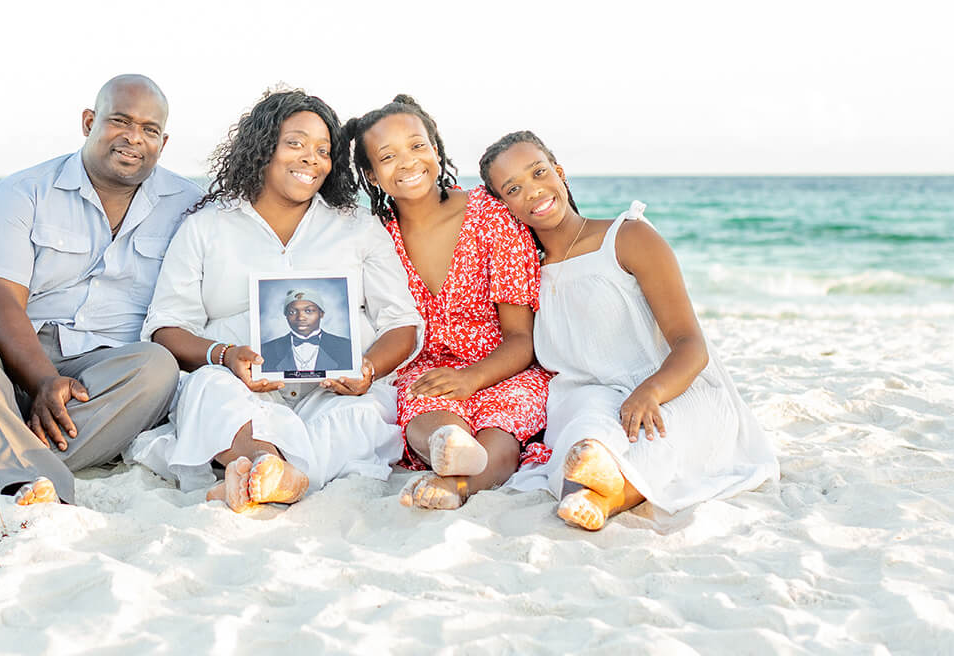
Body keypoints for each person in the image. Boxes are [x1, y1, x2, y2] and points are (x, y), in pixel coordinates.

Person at [126, 88, 424, 512]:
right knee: (210, 390)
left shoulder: (357, 226)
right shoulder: (207, 227)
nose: (311, 158)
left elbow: (401, 321)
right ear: (264, 147)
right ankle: (270, 465)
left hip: (337, 392)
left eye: (324, 150)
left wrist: (369, 369)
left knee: (359, 418)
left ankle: (258, 473)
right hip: (239, 388)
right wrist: (224, 355)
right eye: (296, 143)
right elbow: (166, 325)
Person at [0, 74, 201, 505]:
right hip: (13, 361)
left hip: (106, 380)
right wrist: (44, 379)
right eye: (119, 121)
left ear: (164, 141)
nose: (133, 138)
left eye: (149, 129)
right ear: (89, 122)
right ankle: (17, 471)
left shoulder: (189, 205)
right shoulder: (22, 191)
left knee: (158, 367)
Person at [480, 131, 778, 530]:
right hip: (592, 398)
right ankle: (594, 480)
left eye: (538, 172)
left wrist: (651, 391)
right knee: (584, 437)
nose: (534, 191)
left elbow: (691, 345)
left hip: (672, 386)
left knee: (663, 435)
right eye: (514, 188)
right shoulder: (524, 272)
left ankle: (612, 496)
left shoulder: (626, 237)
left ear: (559, 171)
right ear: (503, 205)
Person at [345, 95, 553, 511]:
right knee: (424, 411)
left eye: (418, 146)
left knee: (502, 431)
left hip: (501, 365)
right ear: (370, 173)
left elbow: (520, 338)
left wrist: (473, 378)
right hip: (427, 371)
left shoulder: (491, 217)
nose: (408, 162)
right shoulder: (375, 237)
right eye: (388, 156)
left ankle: (459, 486)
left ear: (436, 151)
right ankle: (449, 447)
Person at [258, 287, 355, 375]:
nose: (300, 317)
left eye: (308, 311)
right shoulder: (265, 351)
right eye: (293, 312)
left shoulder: (347, 347)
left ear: (321, 314)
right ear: (286, 316)